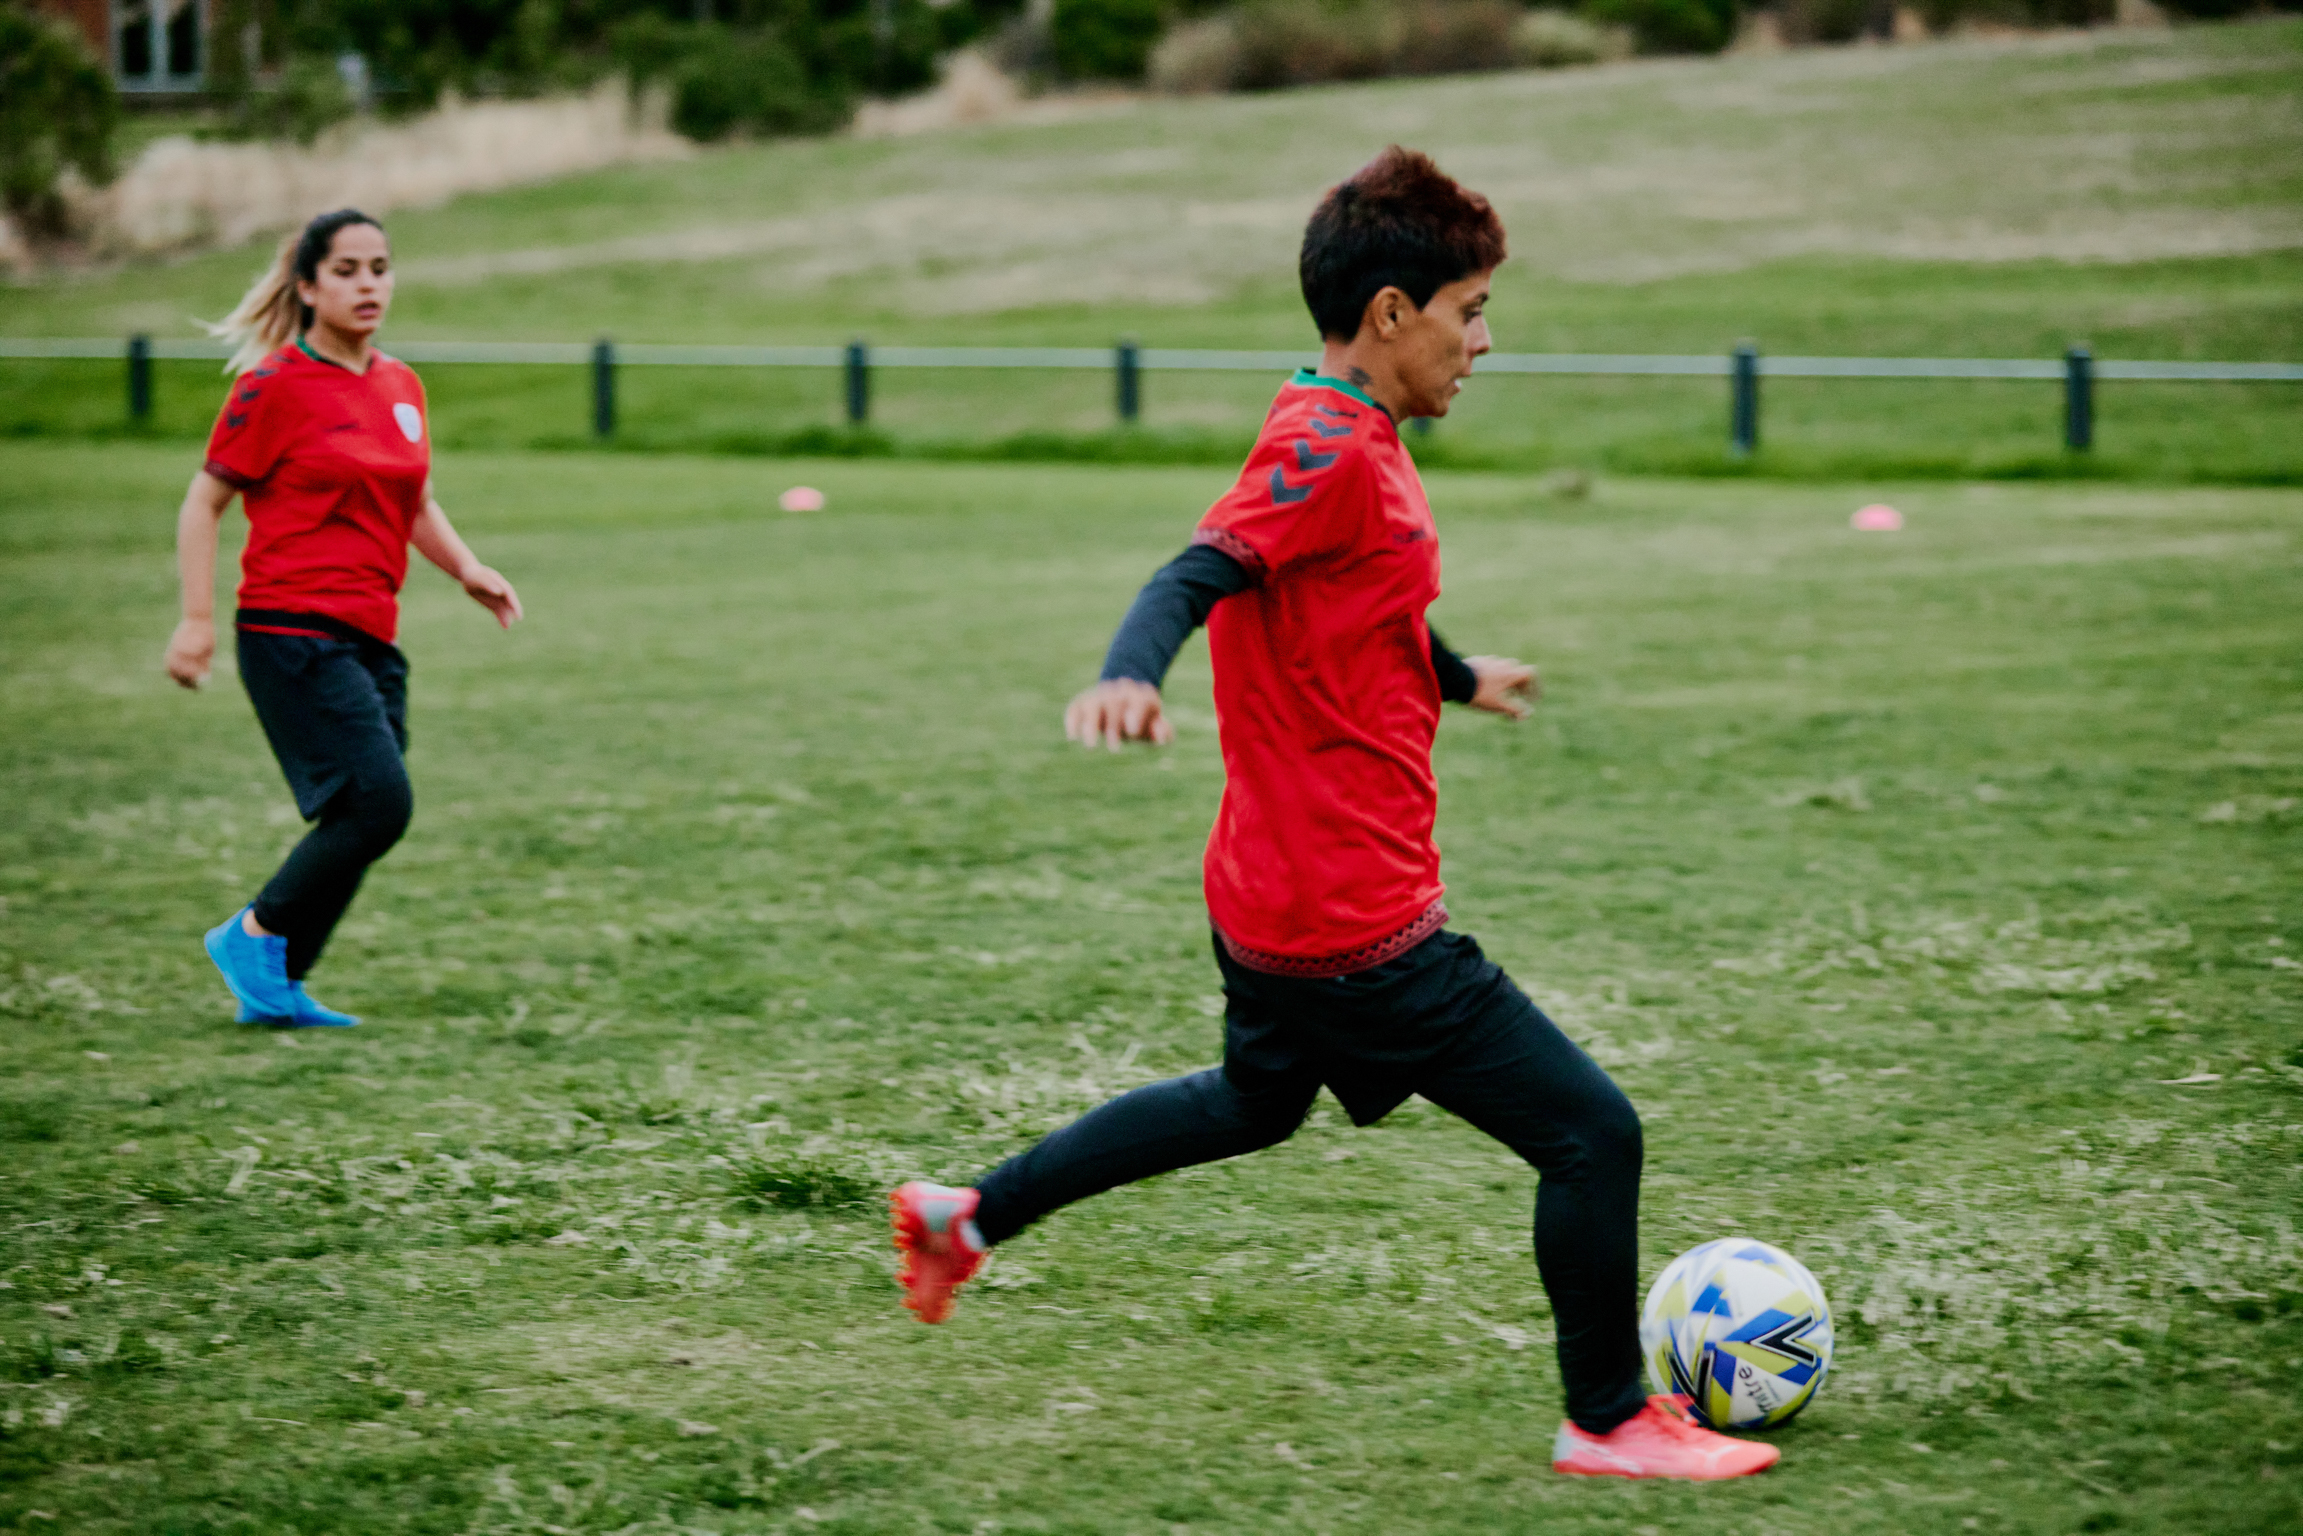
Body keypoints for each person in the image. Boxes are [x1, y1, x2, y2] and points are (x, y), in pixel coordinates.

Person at [888, 149, 1779, 1482]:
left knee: (1254, 1102)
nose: (1481, 341)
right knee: (1591, 1134)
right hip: (1351, 923)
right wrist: (1130, 671)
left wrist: (1454, 674)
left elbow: (1364, 606)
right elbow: (1197, 567)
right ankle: (1606, 1418)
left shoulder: (1352, 437)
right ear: (1387, 315)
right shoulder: (1319, 449)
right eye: (1466, 311)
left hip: (1265, 897)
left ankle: (967, 1218)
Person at [164, 208, 523, 1029]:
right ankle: (250, 937)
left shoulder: (400, 386)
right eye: (348, 270)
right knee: (377, 804)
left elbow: (414, 498)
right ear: (306, 286)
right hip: (290, 630)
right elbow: (204, 500)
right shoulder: (273, 387)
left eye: (380, 268)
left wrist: (466, 567)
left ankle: (275, 985)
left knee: (358, 814)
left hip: (369, 634)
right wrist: (195, 621)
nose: (369, 285)